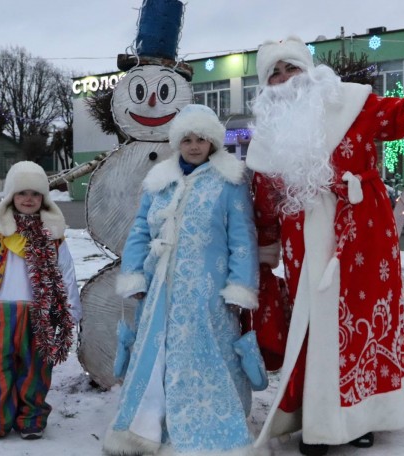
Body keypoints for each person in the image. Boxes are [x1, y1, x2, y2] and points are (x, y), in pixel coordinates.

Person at [247, 36, 404, 455]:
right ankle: (318, 421)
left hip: (362, 231)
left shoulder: (355, 104)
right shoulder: (269, 137)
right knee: (313, 325)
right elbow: (266, 199)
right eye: (275, 74)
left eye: (292, 68)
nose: (285, 80)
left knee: (361, 322)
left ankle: (362, 418)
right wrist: (267, 249)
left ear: (310, 69)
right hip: (302, 242)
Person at [103, 104, 262, 455]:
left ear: (213, 143)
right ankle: (147, 426)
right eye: (187, 139)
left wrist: (240, 285)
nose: (193, 146)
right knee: (156, 355)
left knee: (208, 356)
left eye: (201, 139)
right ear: (178, 142)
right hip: (160, 288)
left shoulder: (228, 181)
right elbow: (140, 231)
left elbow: (242, 238)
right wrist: (135, 276)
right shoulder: (159, 181)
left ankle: (206, 425)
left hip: (208, 294)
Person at [0, 161, 82, 443]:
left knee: (36, 367)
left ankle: (31, 417)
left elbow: (66, 273)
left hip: (40, 313)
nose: (29, 199)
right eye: (22, 193)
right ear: (11, 197)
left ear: (44, 198)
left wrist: (69, 310)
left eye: (35, 194)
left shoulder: (53, 236)